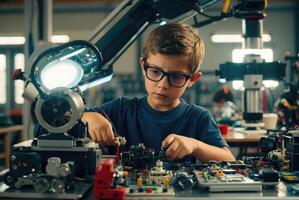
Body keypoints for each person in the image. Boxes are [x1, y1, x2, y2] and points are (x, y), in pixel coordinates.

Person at [82, 23, 235, 163]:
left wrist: (194, 145)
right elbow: (67, 116)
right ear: (143, 66)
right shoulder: (122, 109)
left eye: (176, 76)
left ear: (192, 79)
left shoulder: (198, 117)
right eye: (155, 72)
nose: (162, 85)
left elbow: (229, 159)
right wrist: (88, 116)